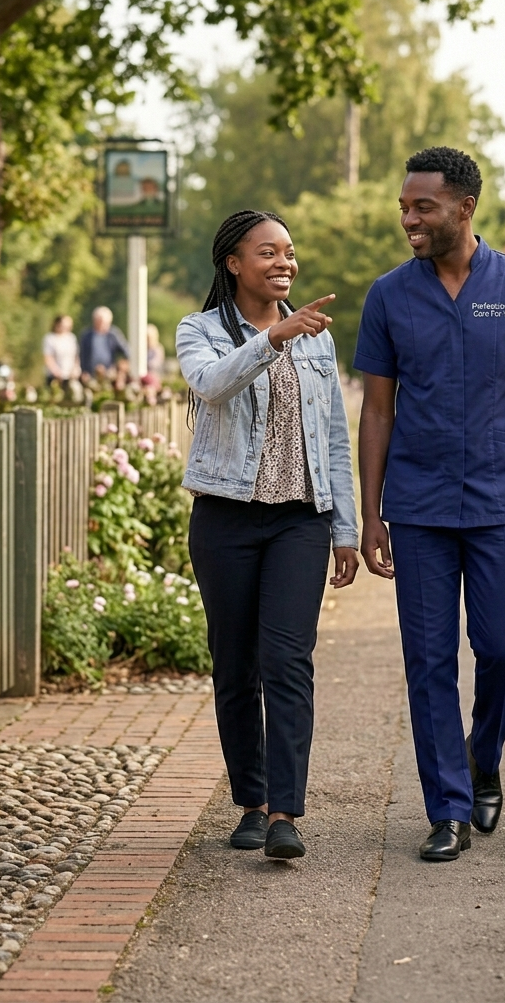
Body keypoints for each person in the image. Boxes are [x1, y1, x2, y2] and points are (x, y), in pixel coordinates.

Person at [354, 146, 505, 862]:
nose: (410, 219)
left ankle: (483, 757)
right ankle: (445, 807)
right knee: (427, 660)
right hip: (417, 508)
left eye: (423, 207)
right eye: (404, 207)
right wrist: (371, 511)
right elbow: (377, 412)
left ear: (464, 208)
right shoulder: (389, 295)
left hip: (503, 502)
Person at [177, 209, 359, 861]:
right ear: (233, 261)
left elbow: (335, 435)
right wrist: (272, 338)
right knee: (236, 667)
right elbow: (211, 385)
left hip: (298, 521)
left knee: (287, 660)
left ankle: (285, 812)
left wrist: (346, 528)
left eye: (289, 252)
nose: (285, 262)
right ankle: (250, 803)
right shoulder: (199, 330)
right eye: (268, 252)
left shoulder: (318, 338)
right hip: (225, 518)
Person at [79, 306, 130, 380]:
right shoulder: (87, 335)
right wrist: (84, 371)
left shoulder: (113, 334)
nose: (101, 324)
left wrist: (120, 366)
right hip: (90, 373)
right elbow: (82, 354)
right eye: (98, 321)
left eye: (103, 322)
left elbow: (126, 350)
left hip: (109, 372)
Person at [42, 315, 80, 387]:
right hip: (55, 376)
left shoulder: (71, 338)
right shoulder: (50, 338)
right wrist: (57, 372)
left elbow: (76, 355)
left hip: (70, 376)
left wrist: (75, 369)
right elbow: (48, 357)